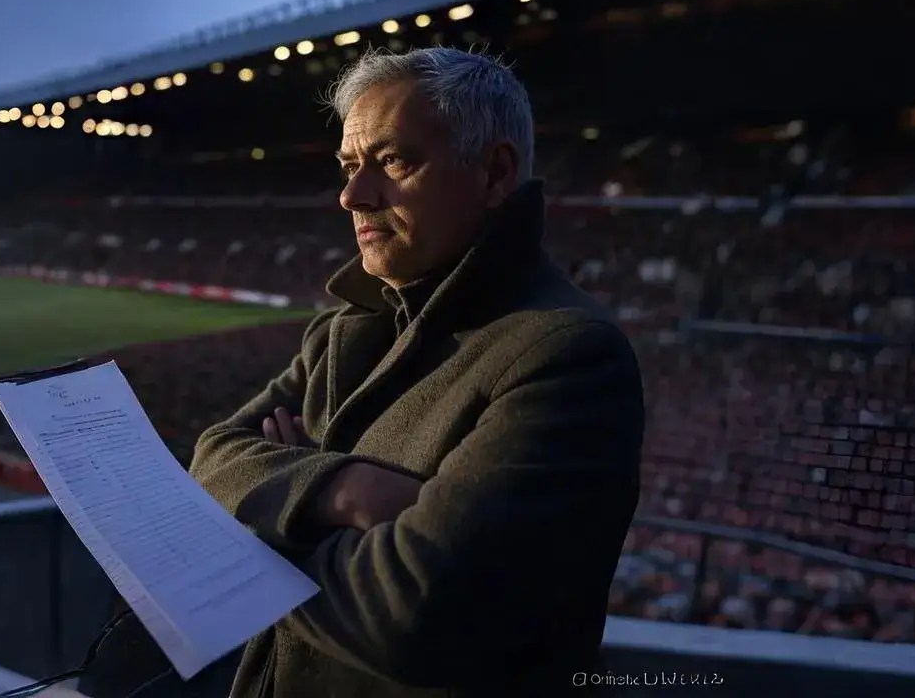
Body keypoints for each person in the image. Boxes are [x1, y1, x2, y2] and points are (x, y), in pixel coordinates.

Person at [190, 47, 644, 697]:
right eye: (348, 167)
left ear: (494, 174)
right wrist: (340, 490)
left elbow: (416, 613)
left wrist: (268, 515)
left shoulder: (566, 354)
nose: (352, 195)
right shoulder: (341, 331)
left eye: (393, 162)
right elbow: (213, 455)